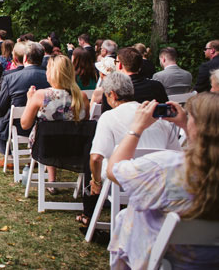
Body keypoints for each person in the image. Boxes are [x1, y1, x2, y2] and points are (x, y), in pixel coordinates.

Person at [106, 93, 219, 269]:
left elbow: (114, 170)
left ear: (196, 126)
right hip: (210, 261)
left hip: (166, 259)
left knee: (126, 216)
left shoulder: (166, 167)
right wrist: (184, 124)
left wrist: (136, 128)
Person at [81, 72, 181, 227]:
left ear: (112, 95)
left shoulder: (109, 117)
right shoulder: (158, 118)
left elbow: (96, 158)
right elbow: (177, 155)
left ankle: (89, 214)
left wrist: (96, 182)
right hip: (157, 180)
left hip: (121, 178)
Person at [20, 54, 90, 184]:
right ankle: (52, 180)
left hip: (44, 147)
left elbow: (25, 124)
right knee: (55, 133)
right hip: (74, 148)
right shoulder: (82, 96)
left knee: (49, 134)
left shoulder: (41, 95)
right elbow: (84, 121)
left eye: (47, 69)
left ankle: (51, 181)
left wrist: (30, 100)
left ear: (52, 73)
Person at [0, 42, 50, 158]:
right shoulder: (50, 77)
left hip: (18, 127)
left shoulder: (10, 78)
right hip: (45, 125)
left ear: (25, 58)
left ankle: (7, 156)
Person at [99, 47, 168, 113]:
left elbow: (105, 116)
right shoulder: (157, 86)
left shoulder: (112, 91)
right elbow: (165, 110)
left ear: (120, 65)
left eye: (116, 62)